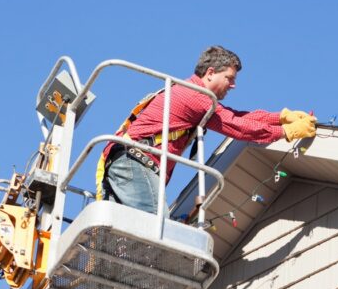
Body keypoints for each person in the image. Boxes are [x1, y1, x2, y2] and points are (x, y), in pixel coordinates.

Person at [95, 45, 316, 213]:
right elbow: (236, 125)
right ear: (210, 72)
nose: (233, 85)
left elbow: (237, 116)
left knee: (123, 234)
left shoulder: (192, 93)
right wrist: (287, 133)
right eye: (229, 78)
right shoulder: (196, 97)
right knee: (150, 229)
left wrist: (281, 117)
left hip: (128, 161)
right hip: (136, 162)